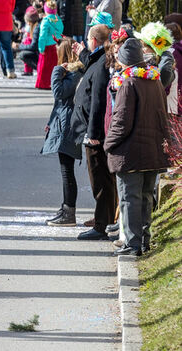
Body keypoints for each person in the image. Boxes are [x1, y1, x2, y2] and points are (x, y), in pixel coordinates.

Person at [105, 38, 171, 256]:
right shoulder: (155, 82)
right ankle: (144, 240)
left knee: (129, 198)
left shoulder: (129, 84)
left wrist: (109, 144)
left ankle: (133, 244)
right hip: (151, 150)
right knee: (144, 197)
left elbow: (121, 121)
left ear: (126, 62)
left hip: (130, 152)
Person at [71, 24, 115, 240]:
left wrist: (94, 134)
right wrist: (82, 52)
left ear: (94, 41)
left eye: (88, 40)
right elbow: (91, 60)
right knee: (103, 179)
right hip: (94, 130)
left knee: (100, 179)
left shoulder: (101, 65)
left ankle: (101, 225)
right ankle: (108, 219)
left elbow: (98, 100)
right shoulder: (100, 58)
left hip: (95, 134)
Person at [41, 38, 84, 226]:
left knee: (67, 171)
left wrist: (57, 70)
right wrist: (51, 122)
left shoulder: (73, 73)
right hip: (62, 121)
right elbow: (58, 104)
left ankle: (69, 212)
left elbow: (58, 93)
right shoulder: (72, 72)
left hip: (68, 125)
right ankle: (66, 207)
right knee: (65, 170)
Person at [138, 22, 177, 93]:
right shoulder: (141, 62)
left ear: (154, 49)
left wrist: (166, 53)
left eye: (144, 47)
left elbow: (164, 79)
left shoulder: (166, 64)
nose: (142, 49)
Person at [36, 0, 64, 90]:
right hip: (56, 45)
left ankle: (43, 83)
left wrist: (41, 48)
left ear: (45, 10)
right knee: (54, 66)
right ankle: (53, 83)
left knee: (44, 66)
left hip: (47, 46)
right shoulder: (58, 20)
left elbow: (42, 36)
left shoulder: (45, 21)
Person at [14, 7, 41, 76]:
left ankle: (39, 69)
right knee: (24, 51)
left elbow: (33, 46)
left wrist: (19, 46)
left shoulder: (36, 29)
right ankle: (28, 70)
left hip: (38, 52)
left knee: (23, 54)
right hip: (36, 50)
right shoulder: (33, 27)